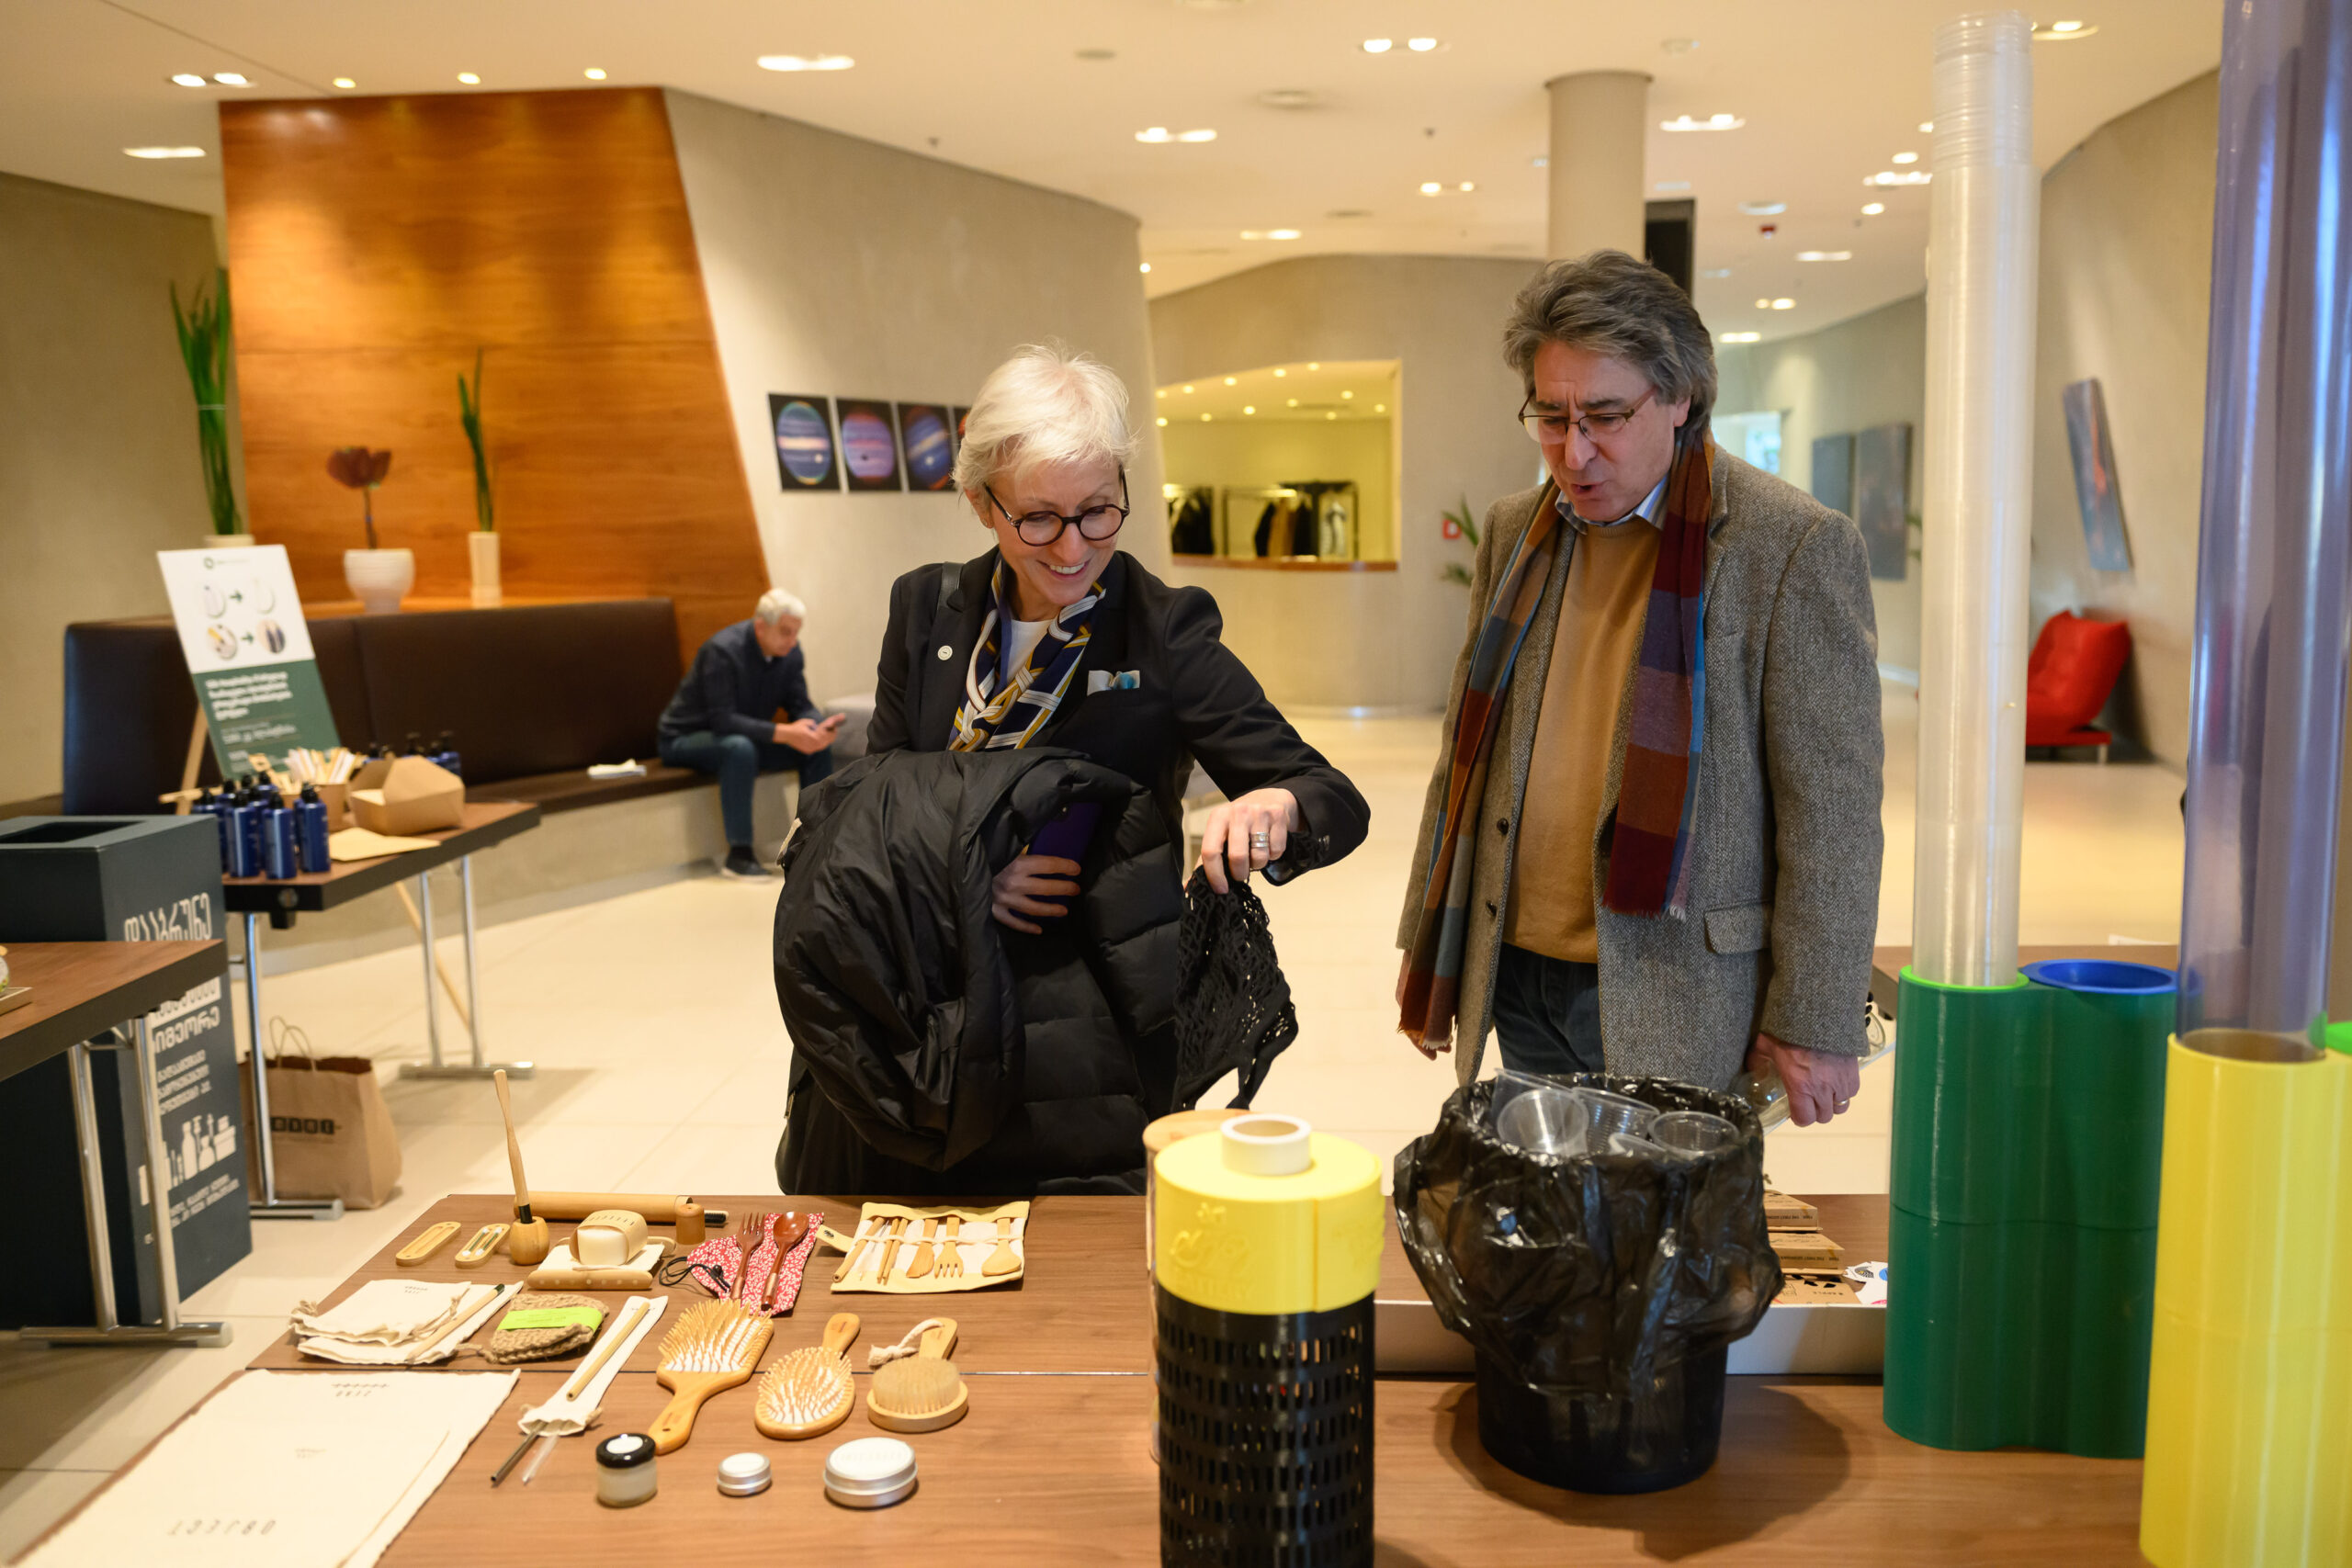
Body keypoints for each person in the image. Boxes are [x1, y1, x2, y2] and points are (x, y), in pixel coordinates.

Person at [776, 343, 1370, 1192]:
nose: (1072, 545)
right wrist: (969, 880)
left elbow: (1330, 795)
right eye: (1039, 518)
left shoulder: (1161, 630)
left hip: (1081, 1039)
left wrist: (1275, 804)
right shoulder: (927, 610)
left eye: (1098, 511)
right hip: (925, 1010)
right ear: (983, 503)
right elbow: (876, 810)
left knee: (1073, 1257)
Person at [1396, 251, 1883, 1127]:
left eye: (1606, 416)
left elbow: (1834, 814)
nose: (1573, 450)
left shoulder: (1790, 546)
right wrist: (1428, 937)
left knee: (1666, 1212)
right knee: (1547, 1205)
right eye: (1551, 416)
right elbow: (1463, 758)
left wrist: (1814, 1018)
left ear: (1681, 397)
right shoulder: (1516, 532)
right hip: (1517, 967)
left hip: (1676, 985)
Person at [658, 589, 842, 880]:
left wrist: (816, 727)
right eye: (785, 632)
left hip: (742, 738)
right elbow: (722, 720)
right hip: (685, 738)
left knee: (814, 747)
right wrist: (785, 732)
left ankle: (813, 844)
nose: (792, 640)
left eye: (796, 633)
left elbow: (800, 704)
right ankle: (739, 855)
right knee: (739, 748)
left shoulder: (790, 654)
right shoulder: (722, 651)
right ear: (760, 627)